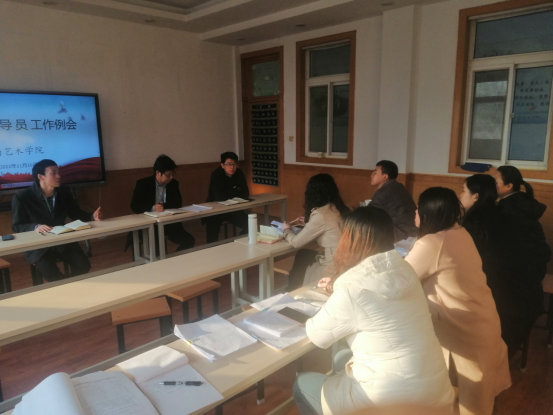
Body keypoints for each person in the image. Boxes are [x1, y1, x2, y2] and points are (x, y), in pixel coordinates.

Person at [293, 206, 455, 415]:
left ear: (350, 241)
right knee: (342, 357)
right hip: (434, 392)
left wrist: (339, 292)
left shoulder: (352, 288)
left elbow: (318, 336)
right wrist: (338, 288)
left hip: (393, 404)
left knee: (302, 384)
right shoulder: (404, 269)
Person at [405, 187, 511, 415]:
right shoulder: (460, 232)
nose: (415, 211)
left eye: (419, 207)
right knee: (475, 399)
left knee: (462, 401)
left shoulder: (432, 243)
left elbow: (399, 280)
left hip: (462, 332)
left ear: (430, 213)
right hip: (483, 321)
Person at [460, 174, 543, 358]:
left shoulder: (476, 224)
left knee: (492, 360)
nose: (460, 195)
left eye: (463, 190)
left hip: (511, 304)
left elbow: (467, 263)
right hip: (526, 296)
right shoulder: (500, 214)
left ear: (476, 196)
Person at [12, 159, 102, 282]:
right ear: (41, 177)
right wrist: (35, 226)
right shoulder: (22, 197)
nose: (58, 176)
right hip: (39, 246)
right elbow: (17, 226)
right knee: (53, 276)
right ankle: (67, 288)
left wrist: (92, 217)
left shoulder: (64, 191)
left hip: (62, 240)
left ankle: (70, 287)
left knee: (84, 266)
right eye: (53, 173)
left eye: (58, 172)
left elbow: (75, 213)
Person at [282, 174, 348, 290]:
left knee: (302, 255)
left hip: (333, 263)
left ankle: (292, 290)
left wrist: (286, 229)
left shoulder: (320, 214)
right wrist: (309, 223)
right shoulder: (343, 208)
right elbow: (329, 227)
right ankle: (293, 289)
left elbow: (296, 242)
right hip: (346, 259)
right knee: (303, 255)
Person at [494, 165, 551, 293]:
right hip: (536, 266)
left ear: (509, 186)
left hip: (523, 269)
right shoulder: (522, 201)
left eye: (495, 182)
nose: (492, 185)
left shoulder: (507, 207)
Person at [130, 154, 195, 254]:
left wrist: (163, 206)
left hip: (169, 222)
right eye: (168, 175)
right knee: (157, 249)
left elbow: (178, 203)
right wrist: (153, 207)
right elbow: (135, 206)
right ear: (158, 173)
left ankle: (174, 260)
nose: (171, 177)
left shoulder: (173, 184)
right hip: (149, 224)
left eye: (172, 174)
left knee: (189, 241)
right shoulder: (143, 184)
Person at [204, 151, 249, 243]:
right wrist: (236, 190)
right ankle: (212, 249)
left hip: (232, 208)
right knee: (212, 229)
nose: (232, 167)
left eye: (234, 164)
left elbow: (245, 193)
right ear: (222, 165)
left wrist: (230, 192)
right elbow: (220, 196)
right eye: (228, 164)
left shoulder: (239, 173)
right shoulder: (216, 174)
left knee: (250, 223)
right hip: (215, 209)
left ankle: (240, 243)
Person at [369, 160, 417, 242]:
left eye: (374, 173)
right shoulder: (400, 186)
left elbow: (368, 213)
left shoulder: (383, 192)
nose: (371, 175)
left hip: (401, 234)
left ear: (385, 177)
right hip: (413, 231)